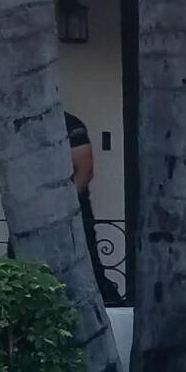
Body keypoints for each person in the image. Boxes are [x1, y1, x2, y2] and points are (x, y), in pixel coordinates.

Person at [65, 110, 116, 303]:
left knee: (88, 265)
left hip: (73, 212)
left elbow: (85, 171)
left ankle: (107, 303)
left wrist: (66, 205)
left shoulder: (70, 124)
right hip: (30, 216)